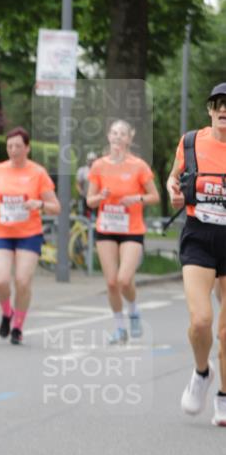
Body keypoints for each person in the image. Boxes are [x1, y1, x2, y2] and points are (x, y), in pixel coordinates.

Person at [167, 82, 226, 427]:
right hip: (199, 235)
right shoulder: (191, 142)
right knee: (201, 320)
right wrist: (174, 190)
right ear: (210, 110)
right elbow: (174, 179)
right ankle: (202, 372)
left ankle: (224, 397)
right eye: (219, 104)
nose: (224, 110)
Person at [0, 127, 60, 344]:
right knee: (0, 281)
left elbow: (56, 207)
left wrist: (39, 204)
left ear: (27, 148)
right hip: (0, 230)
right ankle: (6, 312)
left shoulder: (38, 173)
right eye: (9, 146)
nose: (13, 150)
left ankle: (17, 326)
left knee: (23, 281)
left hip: (28, 233)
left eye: (18, 146)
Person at [86, 119, 160, 344]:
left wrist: (136, 198)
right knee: (111, 283)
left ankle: (134, 310)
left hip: (131, 229)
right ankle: (119, 328)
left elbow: (154, 197)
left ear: (129, 138)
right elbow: (90, 201)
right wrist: (100, 197)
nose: (117, 137)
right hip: (107, 227)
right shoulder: (99, 166)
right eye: (114, 133)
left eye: (122, 134)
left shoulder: (139, 166)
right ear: (108, 136)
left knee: (124, 280)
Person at [76, 151, 98, 217]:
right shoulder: (82, 170)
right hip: (85, 196)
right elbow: (78, 184)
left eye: (93, 160)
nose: (92, 162)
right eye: (90, 160)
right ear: (87, 160)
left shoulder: (99, 170)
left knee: (96, 214)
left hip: (96, 197)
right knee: (84, 214)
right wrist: (81, 193)